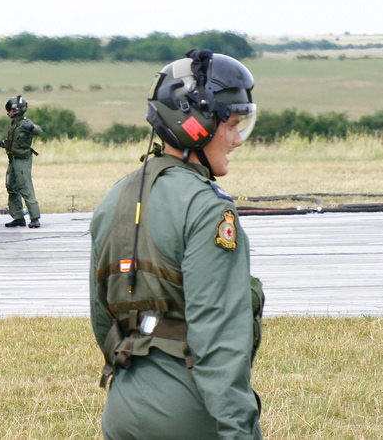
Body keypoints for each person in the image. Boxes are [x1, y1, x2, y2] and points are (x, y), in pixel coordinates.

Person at [89, 49, 264, 440]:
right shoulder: (209, 210)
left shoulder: (114, 198)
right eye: (232, 124)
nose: (237, 139)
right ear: (197, 125)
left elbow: (103, 318)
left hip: (123, 407)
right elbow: (219, 337)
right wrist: (240, 429)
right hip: (188, 411)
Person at [0, 95, 43, 228]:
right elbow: (14, 142)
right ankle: (18, 217)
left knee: (25, 187)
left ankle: (35, 217)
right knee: (12, 188)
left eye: (10, 109)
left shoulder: (25, 123)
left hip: (22, 161)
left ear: (17, 110)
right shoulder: (14, 125)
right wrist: (2, 144)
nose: (8, 112)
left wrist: (32, 128)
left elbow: (38, 130)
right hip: (13, 160)